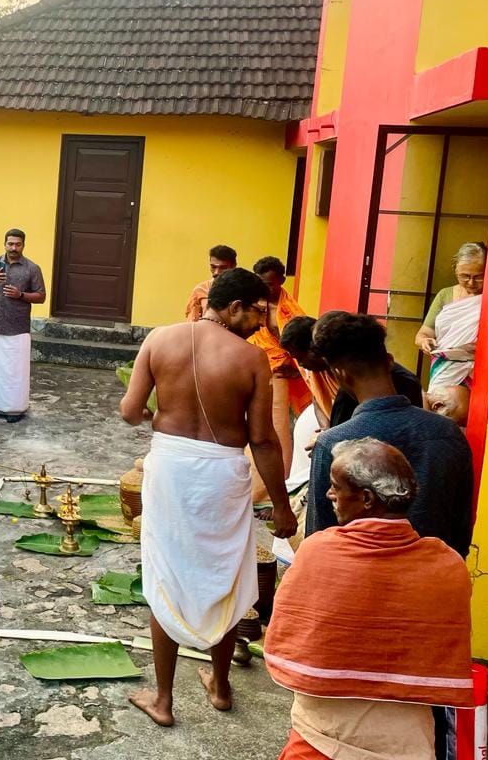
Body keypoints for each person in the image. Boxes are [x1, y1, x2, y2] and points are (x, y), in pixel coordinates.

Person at [120, 267, 296, 727]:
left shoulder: (159, 340)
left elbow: (129, 411)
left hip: (172, 470)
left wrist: (163, 417)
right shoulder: (252, 360)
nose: (262, 323)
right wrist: (280, 504)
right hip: (222, 474)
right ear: (234, 306)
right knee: (224, 575)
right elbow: (263, 439)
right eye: (258, 312)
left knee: (167, 576)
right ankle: (219, 685)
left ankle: (163, 699)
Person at [266, 439, 473, 760]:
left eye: (336, 486)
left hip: (322, 733)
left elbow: (292, 637)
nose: (328, 495)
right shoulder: (447, 564)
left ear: (365, 498)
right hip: (407, 739)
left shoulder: (319, 550)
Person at [308, 311, 473, 557]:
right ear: (390, 361)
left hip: (357, 579)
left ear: (339, 374)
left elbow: (319, 537)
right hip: (430, 577)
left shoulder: (332, 442)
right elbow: (461, 529)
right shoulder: (448, 432)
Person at [247, 256, 312, 502]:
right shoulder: (252, 305)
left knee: (276, 432)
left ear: (282, 280)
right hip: (254, 371)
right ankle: (255, 488)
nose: (266, 288)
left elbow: (302, 344)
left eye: (270, 283)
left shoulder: (290, 311)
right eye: (261, 282)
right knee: (253, 429)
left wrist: (296, 369)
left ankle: (269, 493)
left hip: (279, 376)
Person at [285, 315, 423, 429]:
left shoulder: (405, 382)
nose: (301, 364)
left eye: (300, 358)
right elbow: (317, 400)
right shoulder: (442, 429)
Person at [0, 228, 46, 422]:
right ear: (4, 244)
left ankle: (13, 409)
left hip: (17, 328)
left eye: (18, 244)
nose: (13, 247)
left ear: (23, 245)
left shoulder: (32, 268)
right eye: (10, 243)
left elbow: (41, 296)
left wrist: (20, 295)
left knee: (14, 371)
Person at [416, 241, 486, 391]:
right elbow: (423, 334)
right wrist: (425, 342)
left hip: (479, 369)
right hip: (444, 368)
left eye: (479, 277)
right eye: (464, 276)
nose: (471, 282)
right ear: (455, 271)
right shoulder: (445, 295)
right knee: (440, 405)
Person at [184, 244, 238, 321]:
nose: (216, 272)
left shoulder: (242, 290)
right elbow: (192, 325)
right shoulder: (200, 290)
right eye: (213, 267)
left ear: (233, 266)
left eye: (223, 268)